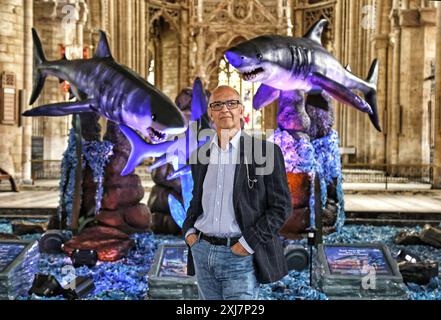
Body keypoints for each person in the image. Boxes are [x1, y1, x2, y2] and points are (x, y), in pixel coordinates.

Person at [182, 85, 291, 300]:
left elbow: (281, 207)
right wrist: (190, 233)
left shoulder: (265, 152)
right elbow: (197, 200)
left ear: (241, 110)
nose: (225, 109)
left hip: (240, 256)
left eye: (232, 103)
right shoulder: (200, 156)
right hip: (203, 252)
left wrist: (249, 243)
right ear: (211, 113)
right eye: (217, 105)